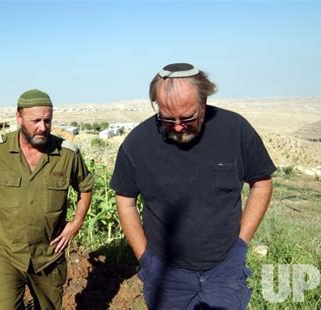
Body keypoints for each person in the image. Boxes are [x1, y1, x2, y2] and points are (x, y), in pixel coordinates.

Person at [110, 63, 276, 309]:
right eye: (167, 119)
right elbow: (125, 200)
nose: (178, 126)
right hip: (166, 276)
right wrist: (145, 258)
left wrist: (241, 244)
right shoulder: (137, 143)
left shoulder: (235, 130)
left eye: (187, 118)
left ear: (204, 101)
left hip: (225, 271)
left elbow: (261, 183)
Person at [0, 89, 94, 309]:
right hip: (7, 252)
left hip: (48, 256)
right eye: (35, 120)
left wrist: (76, 223)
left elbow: (86, 187)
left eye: (48, 120)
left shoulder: (67, 155)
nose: (42, 127)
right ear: (18, 117)